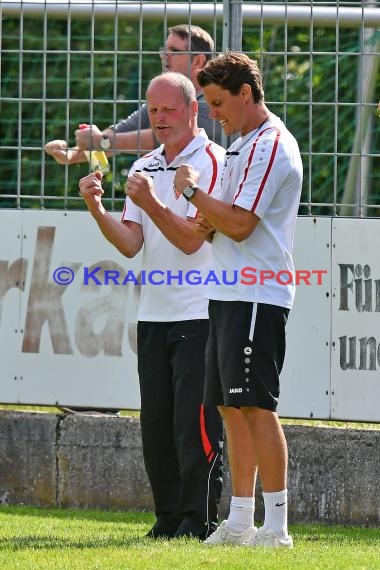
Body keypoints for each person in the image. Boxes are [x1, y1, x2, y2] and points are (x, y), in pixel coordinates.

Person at [78, 71, 225, 539]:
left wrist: (151, 202)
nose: (160, 120)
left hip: (200, 313)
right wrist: (97, 209)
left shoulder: (214, 162)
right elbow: (129, 244)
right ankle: (166, 519)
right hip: (153, 315)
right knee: (156, 426)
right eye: (153, 110)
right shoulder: (144, 166)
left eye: (168, 110)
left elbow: (189, 242)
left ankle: (198, 520)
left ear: (192, 110)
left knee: (194, 426)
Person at [174, 52, 303, 548]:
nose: (213, 113)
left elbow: (240, 224)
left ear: (245, 94)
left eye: (218, 102)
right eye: (208, 103)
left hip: (257, 293)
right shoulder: (241, 146)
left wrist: (192, 194)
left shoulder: (271, 144)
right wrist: (205, 209)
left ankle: (277, 529)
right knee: (231, 407)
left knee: (256, 407)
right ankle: (241, 520)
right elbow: (215, 226)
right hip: (228, 292)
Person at [45, 24, 221, 165]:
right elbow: (118, 134)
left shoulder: (213, 100)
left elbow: (167, 137)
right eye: (164, 50)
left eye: (174, 51)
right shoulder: (163, 99)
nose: (164, 56)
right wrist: (71, 155)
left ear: (198, 60)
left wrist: (102, 141)